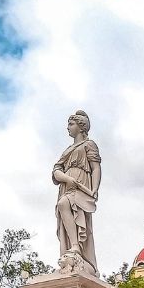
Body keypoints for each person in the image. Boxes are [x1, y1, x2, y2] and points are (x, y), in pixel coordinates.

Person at [51, 110, 102, 273]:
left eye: (71, 124)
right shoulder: (67, 150)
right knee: (63, 206)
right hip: (68, 185)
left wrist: (94, 189)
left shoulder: (89, 145)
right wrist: (66, 178)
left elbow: (95, 168)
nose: (67, 127)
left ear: (81, 127)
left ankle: (77, 247)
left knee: (68, 207)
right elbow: (56, 170)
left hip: (82, 184)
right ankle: (72, 247)